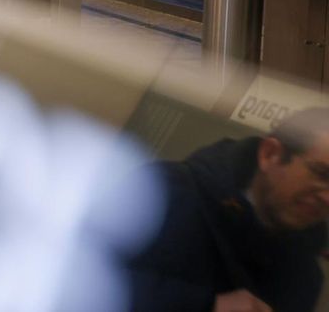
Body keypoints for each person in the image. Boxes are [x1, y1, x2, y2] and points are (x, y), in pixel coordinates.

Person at [128, 108, 329, 312]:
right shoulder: (163, 190)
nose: (327, 198)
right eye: (321, 174)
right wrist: (206, 305)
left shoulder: (305, 278)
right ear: (270, 154)